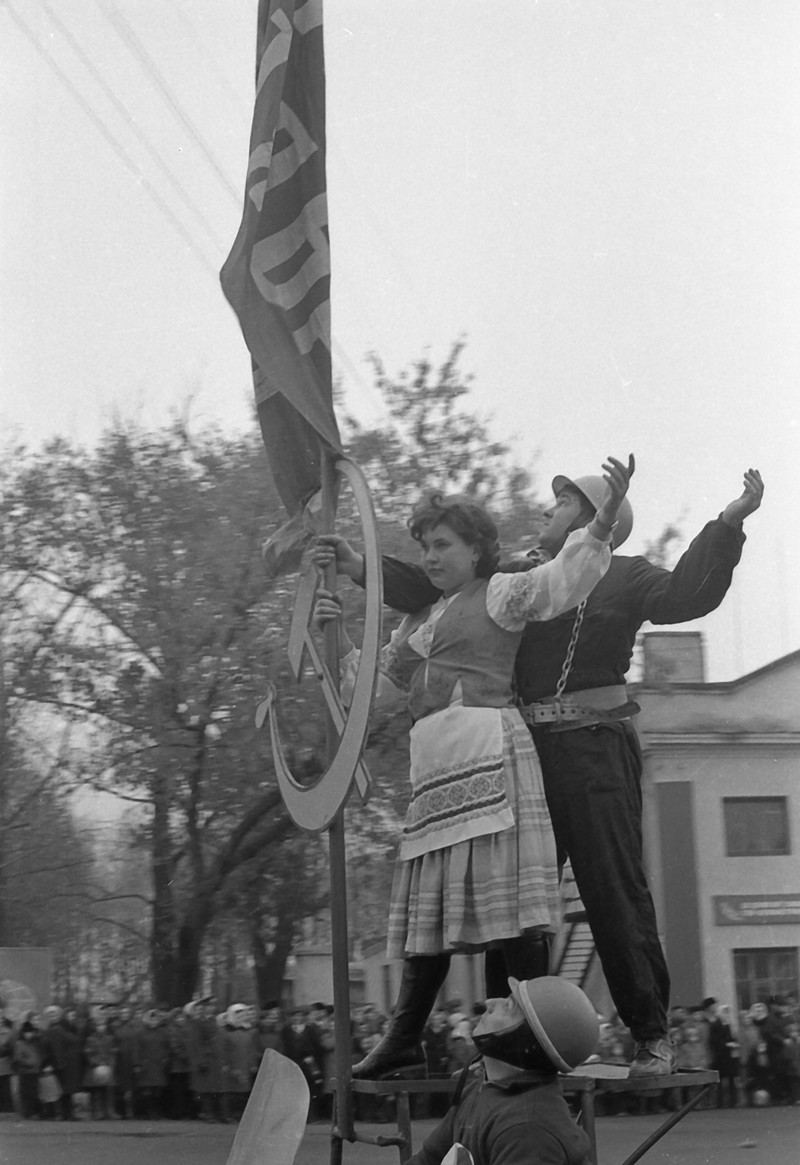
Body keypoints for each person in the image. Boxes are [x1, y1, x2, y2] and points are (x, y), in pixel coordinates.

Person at [346, 466, 763, 1077]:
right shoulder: (514, 577)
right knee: (512, 905)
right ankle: (505, 1044)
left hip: (594, 748)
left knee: (611, 889)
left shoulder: (626, 573)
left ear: (605, 519)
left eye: (566, 500)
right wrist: (359, 568)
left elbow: (687, 596)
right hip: (523, 754)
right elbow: (429, 584)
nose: (550, 508)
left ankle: (651, 1034)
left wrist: (726, 526)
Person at [314, 458, 632, 1079]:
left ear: (477, 548)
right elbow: (374, 690)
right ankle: (405, 1036)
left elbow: (560, 582)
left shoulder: (502, 591)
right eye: (425, 546)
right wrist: (340, 643)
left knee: (510, 912)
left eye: (443, 545)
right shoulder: (418, 620)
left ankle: (523, 1043)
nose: (430, 556)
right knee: (431, 915)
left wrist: (600, 526)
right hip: (434, 775)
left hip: (491, 759)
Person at [405, 976, 598, 1165]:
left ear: (525, 1039)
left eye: (508, 1007)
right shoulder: (481, 1090)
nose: (489, 1003)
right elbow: (428, 1158)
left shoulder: (527, 1132)